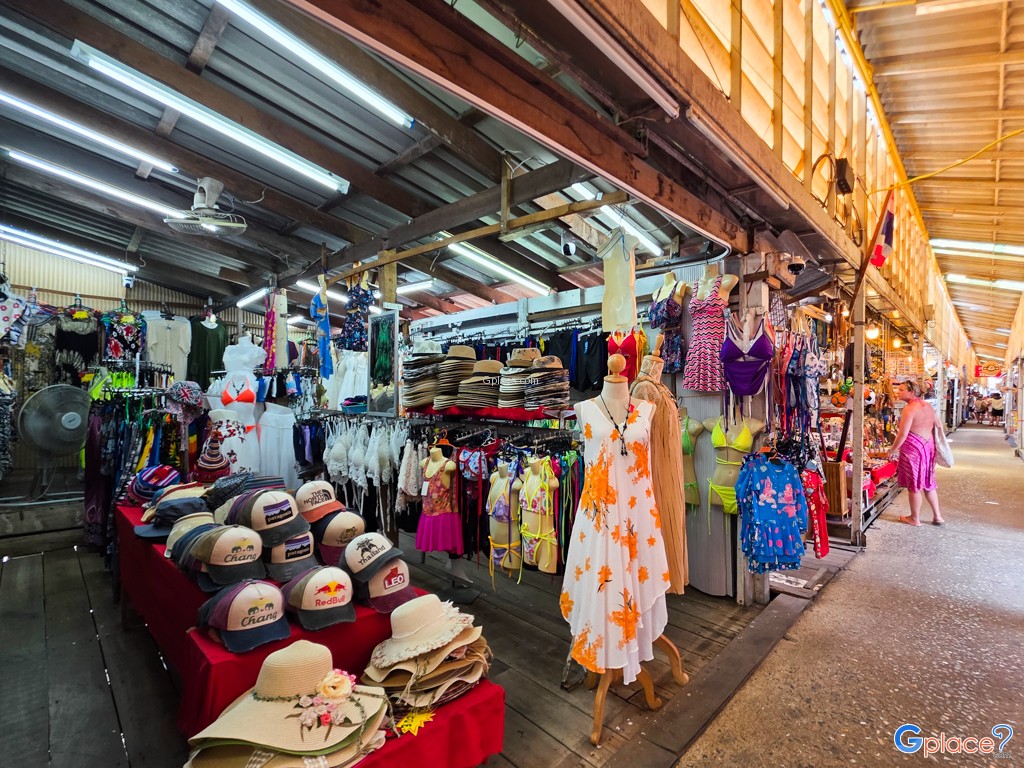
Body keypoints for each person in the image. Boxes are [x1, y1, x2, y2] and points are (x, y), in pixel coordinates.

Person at [889, 379, 944, 526]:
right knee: (928, 482)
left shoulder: (909, 409)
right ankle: (937, 516)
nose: (898, 392)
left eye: (901, 389)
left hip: (913, 449)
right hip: (928, 446)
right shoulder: (928, 406)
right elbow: (938, 425)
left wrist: (892, 450)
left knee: (915, 484)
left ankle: (915, 518)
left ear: (912, 392)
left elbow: (902, 435)